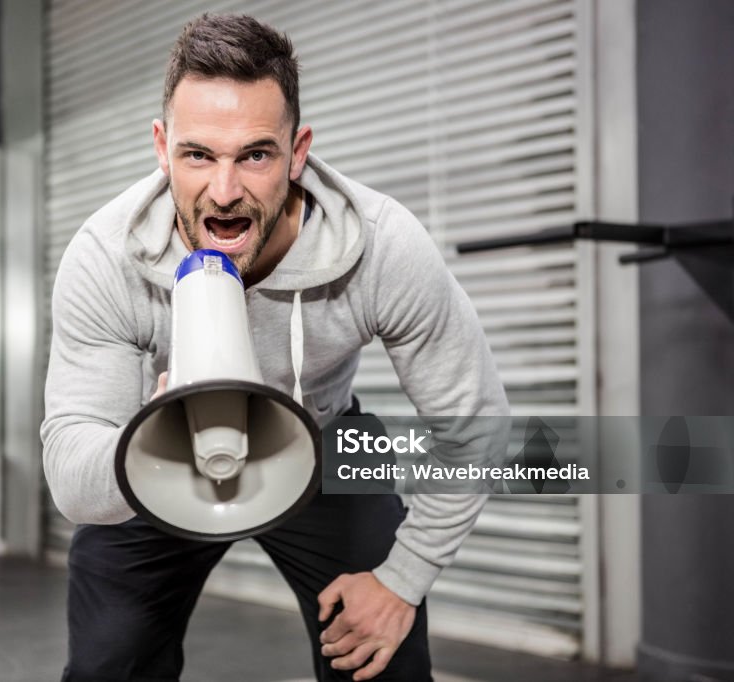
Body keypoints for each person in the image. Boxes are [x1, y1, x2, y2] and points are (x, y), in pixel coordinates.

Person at [42, 13, 508, 681]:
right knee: (109, 660)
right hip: (161, 450)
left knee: (384, 662)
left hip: (318, 439)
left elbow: (477, 426)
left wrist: (403, 580)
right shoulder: (106, 258)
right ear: (160, 147)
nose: (225, 192)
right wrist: (144, 440)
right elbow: (71, 468)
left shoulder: (379, 245)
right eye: (197, 154)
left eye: (255, 154)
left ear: (298, 152)